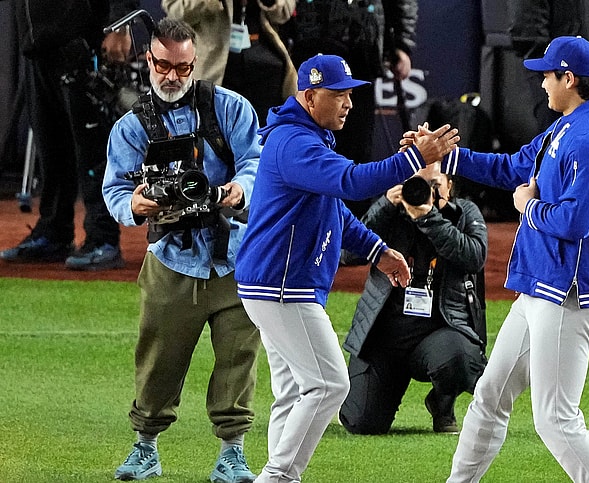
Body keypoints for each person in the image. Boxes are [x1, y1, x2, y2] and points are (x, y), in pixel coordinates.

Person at [233, 54, 459, 482]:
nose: (348, 104)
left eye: (349, 95)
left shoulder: (308, 137)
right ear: (310, 95)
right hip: (281, 286)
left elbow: (334, 210)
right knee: (329, 385)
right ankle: (277, 477)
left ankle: (281, 477)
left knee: (295, 392)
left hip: (274, 282)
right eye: (338, 95)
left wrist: (377, 251)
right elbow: (352, 183)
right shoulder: (294, 143)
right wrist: (414, 160)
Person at [424, 36, 589, 482]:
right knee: (490, 396)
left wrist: (526, 207)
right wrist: (446, 156)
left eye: (547, 76)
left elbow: (574, 222)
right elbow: (513, 168)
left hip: (570, 294)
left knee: (556, 419)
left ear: (568, 79)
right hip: (542, 285)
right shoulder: (566, 125)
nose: (541, 85)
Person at [103, 18, 262, 482]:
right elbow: (114, 190)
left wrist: (240, 188)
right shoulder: (131, 127)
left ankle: (232, 453)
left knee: (239, 361)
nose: (172, 76)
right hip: (171, 258)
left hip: (233, 255)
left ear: (196, 64)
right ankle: (145, 447)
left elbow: (254, 158)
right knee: (157, 363)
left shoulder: (230, 108)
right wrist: (135, 203)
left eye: (183, 67)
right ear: (148, 60)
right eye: (164, 65)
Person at [338, 163, 488, 435]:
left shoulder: (465, 213)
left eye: (434, 184)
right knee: (361, 423)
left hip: (440, 332)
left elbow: (474, 256)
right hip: (384, 335)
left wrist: (429, 218)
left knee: (459, 360)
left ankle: (442, 402)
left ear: (449, 186)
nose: (425, 192)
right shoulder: (390, 213)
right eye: (417, 183)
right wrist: (384, 205)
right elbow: (348, 254)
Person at [0, 0, 137, 270]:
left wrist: (120, 24)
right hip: (37, 47)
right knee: (51, 149)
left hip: (81, 42)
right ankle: (54, 232)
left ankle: (102, 239)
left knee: (93, 152)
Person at [284, 0, 418, 216]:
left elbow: (402, 3)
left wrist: (402, 44)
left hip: (361, 52)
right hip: (311, 47)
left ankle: (357, 232)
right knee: (307, 143)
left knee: (357, 149)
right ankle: (309, 224)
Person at [161, 0, 298, 125]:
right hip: (215, 64)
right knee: (217, 134)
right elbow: (175, 12)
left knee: (265, 132)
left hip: (263, 59)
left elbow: (284, 13)